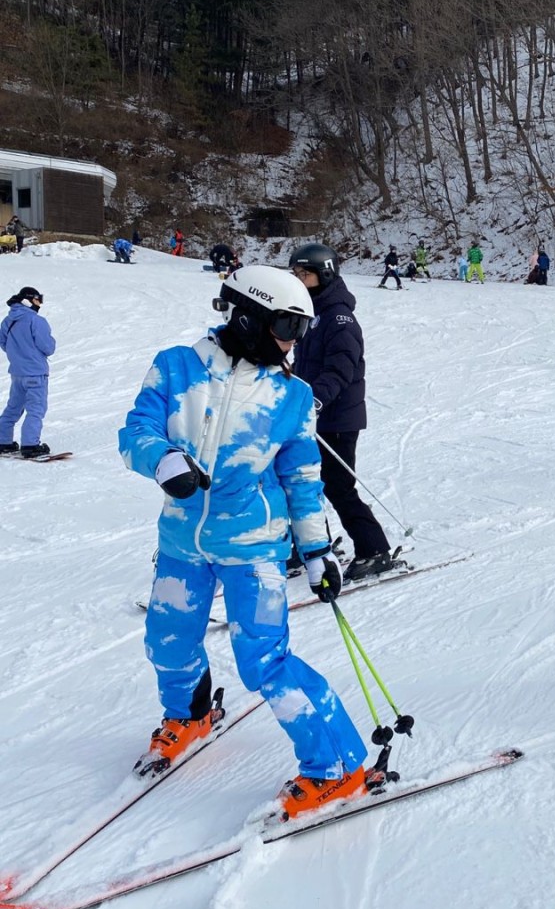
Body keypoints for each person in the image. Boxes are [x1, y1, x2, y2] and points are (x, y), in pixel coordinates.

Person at [118, 265, 372, 819]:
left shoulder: (291, 396)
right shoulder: (176, 367)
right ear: (247, 317)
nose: (293, 342)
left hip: (254, 545)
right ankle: (190, 714)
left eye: (301, 329)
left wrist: (317, 550)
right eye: (287, 326)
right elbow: (137, 430)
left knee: (263, 660)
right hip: (182, 540)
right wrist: (161, 460)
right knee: (167, 641)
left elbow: (302, 479)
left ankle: (338, 766)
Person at [289, 243, 397, 583]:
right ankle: (311, 545)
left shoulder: (339, 318)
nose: (298, 279)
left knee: (338, 486)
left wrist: (315, 400)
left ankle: (374, 549)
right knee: (301, 481)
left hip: (337, 417)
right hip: (313, 415)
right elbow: (306, 363)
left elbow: (341, 369)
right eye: (295, 273)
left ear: (324, 274)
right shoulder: (311, 313)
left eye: (304, 274)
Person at [0, 286, 55, 458]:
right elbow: (48, 347)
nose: (40, 304)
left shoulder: (8, 321)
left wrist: (19, 354)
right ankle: (30, 445)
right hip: (35, 373)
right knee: (36, 409)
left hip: (17, 373)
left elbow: (4, 344)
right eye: (38, 299)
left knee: (13, 407)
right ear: (28, 300)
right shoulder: (36, 321)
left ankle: (3, 441)